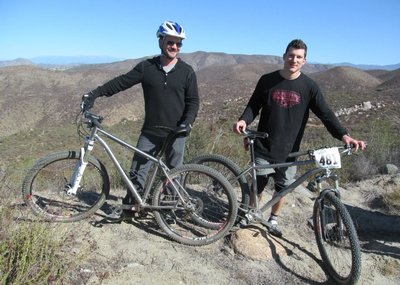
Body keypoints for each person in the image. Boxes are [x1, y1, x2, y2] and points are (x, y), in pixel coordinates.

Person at [233, 39, 366, 236]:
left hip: (289, 151)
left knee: (282, 189)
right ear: (284, 56)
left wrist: (344, 135)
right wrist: (244, 120)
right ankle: (253, 213)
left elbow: (326, 114)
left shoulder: (309, 86)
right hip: (264, 144)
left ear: (304, 61)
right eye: (291, 55)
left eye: (299, 57)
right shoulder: (267, 80)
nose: (294, 60)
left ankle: (273, 219)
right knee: (257, 187)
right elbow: (253, 106)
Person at [81, 20, 200, 220]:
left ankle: (170, 211)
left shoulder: (187, 71)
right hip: (151, 130)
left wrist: (187, 122)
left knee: (174, 173)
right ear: (161, 41)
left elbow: (193, 101)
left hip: (176, 132)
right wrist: (95, 93)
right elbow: (121, 82)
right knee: (138, 170)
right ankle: (131, 208)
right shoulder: (147, 67)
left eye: (179, 44)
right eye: (171, 42)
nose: (175, 47)